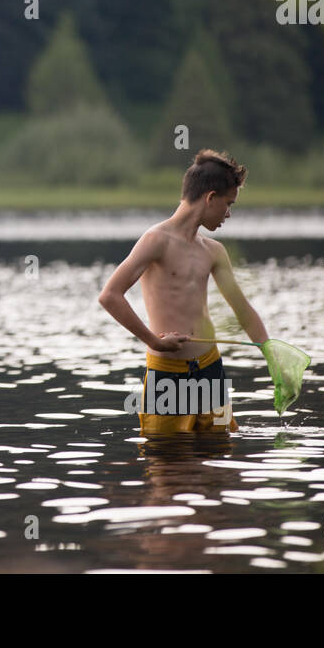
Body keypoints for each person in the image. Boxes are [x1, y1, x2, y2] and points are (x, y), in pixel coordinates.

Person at [97, 149, 268, 434]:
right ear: (210, 198)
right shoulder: (156, 240)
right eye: (228, 204)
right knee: (168, 467)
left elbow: (243, 311)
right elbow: (110, 295)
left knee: (219, 461)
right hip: (168, 374)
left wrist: (272, 354)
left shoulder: (213, 250)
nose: (229, 213)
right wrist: (153, 341)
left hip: (210, 367)